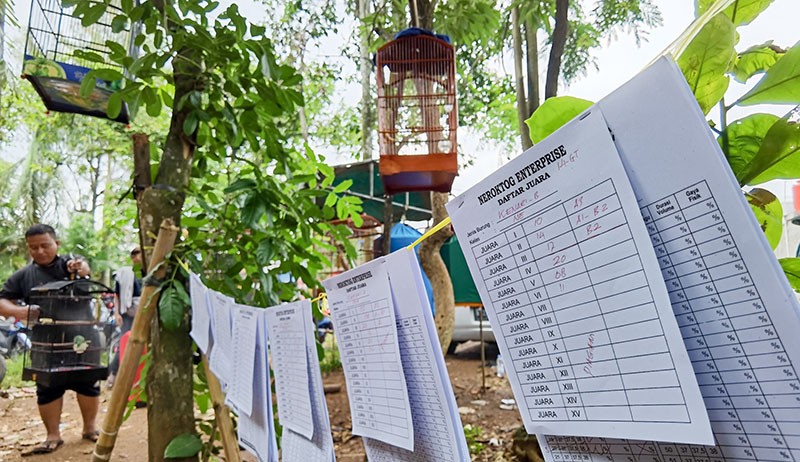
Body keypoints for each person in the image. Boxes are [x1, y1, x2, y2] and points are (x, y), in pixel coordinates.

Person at [0, 224, 99, 455]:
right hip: (45, 340)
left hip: (82, 337)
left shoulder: (70, 264)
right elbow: (2, 300)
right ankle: (53, 435)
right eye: (33, 247)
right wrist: (21, 312)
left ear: (57, 244)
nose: (40, 251)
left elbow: (83, 267)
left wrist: (80, 267)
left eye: (45, 245)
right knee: (47, 387)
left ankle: (90, 428)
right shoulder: (24, 275)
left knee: (87, 383)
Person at [107, 246, 143, 388]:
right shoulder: (125, 274)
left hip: (145, 313)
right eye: (135, 255)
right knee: (124, 343)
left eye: (139, 254)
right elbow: (117, 295)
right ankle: (113, 375)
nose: (138, 258)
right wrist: (116, 313)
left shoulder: (149, 272)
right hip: (127, 313)